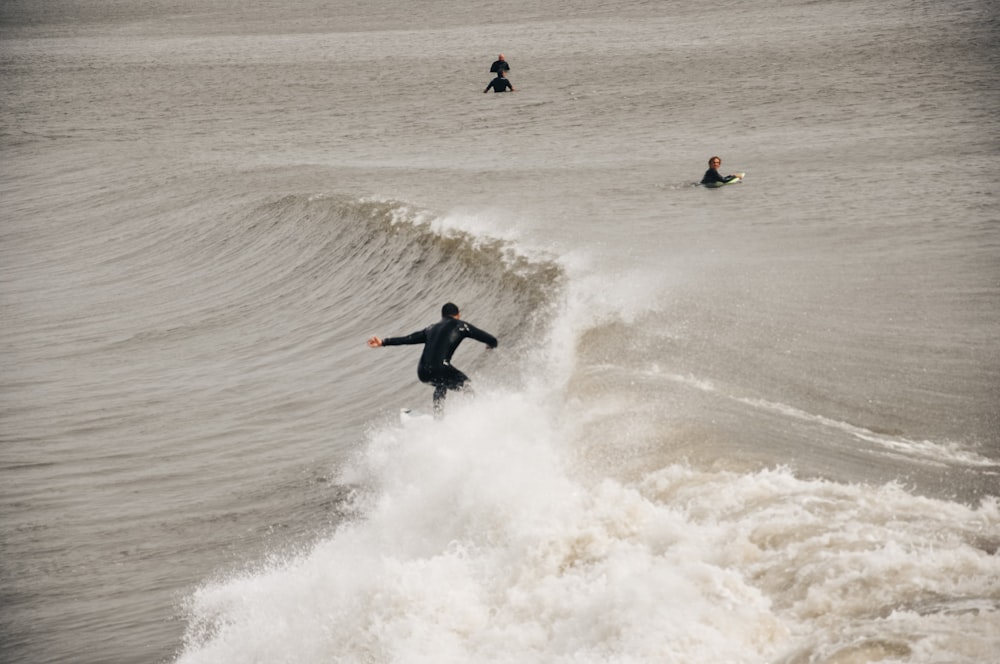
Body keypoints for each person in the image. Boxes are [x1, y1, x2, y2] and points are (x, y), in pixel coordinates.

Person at [367, 303, 498, 413]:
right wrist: (491, 345)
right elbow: (491, 339)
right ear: (458, 315)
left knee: (441, 383)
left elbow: (408, 339)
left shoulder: (430, 329)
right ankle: (477, 413)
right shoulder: (461, 325)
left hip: (422, 372)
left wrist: (383, 342)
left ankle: (438, 418)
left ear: (442, 316)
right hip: (441, 368)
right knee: (467, 386)